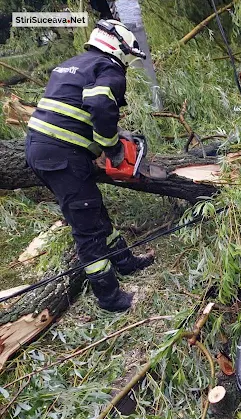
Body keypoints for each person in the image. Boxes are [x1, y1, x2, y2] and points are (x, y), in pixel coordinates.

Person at [25, 20, 154, 312]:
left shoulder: (74, 64)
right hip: (61, 155)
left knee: (91, 208)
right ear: (120, 48)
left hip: (43, 149)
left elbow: (72, 110)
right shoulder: (108, 68)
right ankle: (110, 298)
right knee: (87, 231)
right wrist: (111, 147)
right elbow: (98, 105)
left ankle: (123, 260)